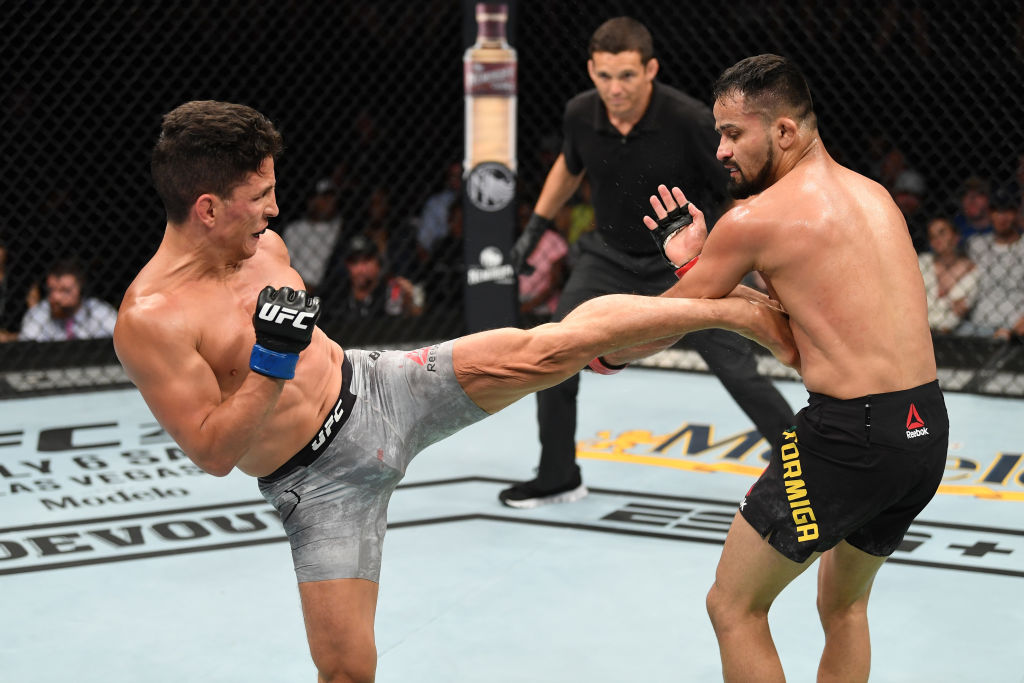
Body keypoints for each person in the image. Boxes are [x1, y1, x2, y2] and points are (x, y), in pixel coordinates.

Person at [112, 100, 796, 683]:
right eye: (259, 195)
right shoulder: (152, 319)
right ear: (207, 207)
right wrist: (268, 363)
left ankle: (723, 304)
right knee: (347, 671)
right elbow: (211, 450)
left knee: (551, 345)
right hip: (318, 486)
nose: (275, 207)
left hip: (378, 386)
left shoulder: (264, 247)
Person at [601, 54, 949, 682]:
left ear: (785, 131)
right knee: (844, 604)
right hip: (924, 432)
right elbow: (799, 335)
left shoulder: (756, 219)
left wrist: (604, 352)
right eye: (718, 135)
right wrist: (703, 269)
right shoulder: (874, 197)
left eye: (734, 133)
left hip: (850, 438)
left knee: (733, 605)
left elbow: (668, 319)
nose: (721, 151)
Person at [502, 17, 795, 508]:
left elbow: (735, 190)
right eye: (605, 76)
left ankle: (801, 463)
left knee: (736, 367)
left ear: (651, 69)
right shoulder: (580, 114)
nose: (615, 89)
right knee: (555, 353)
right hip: (608, 258)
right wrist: (534, 229)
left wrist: (744, 260)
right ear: (592, 70)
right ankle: (557, 474)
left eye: (627, 76)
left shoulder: (687, 118)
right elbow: (569, 167)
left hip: (685, 264)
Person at [958, 192, 1024, 339]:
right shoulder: (976, 244)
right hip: (976, 325)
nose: (1002, 217)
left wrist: (1015, 331)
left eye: (1007, 211)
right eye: (996, 211)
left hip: (1014, 328)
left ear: (1017, 213)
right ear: (990, 214)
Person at [320, 233, 423, 323]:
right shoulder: (335, 295)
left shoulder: (392, 291)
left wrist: (409, 303)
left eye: (366, 261)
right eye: (354, 262)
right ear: (347, 266)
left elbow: (417, 322)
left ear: (378, 263)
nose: (360, 269)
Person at [19, 258, 117, 341]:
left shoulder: (101, 313)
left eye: (65, 291)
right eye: (51, 290)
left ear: (80, 289)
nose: (56, 297)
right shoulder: (37, 314)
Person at [281, 177, 344, 293]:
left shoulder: (339, 228)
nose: (330, 202)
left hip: (328, 290)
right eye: (325, 198)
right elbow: (287, 264)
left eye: (332, 198)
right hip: (296, 288)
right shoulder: (295, 229)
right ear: (311, 200)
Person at [918, 216, 978, 333]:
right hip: (919, 327)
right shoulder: (922, 262)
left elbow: (959, 312)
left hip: (950, 333)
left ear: (956, 237)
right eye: (932, 236)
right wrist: (949, 303)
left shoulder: (971, 270)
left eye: (942, 233)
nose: (937, 239)